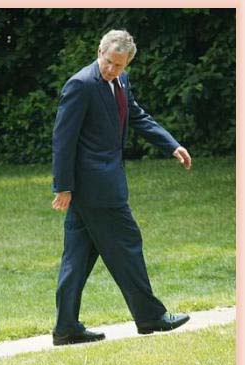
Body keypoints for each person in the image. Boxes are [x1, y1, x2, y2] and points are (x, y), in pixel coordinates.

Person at [51, 29, 192, 346]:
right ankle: (150, 317)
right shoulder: (81, 84)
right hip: (96, 188)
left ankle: (66, 328)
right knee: (127, 245)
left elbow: (138, 116)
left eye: (119, 65)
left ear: (127, 63)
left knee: (77, 256)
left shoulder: (121, 82)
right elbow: (63, 140)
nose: (112, 69)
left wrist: (171, 145)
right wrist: (63, 186)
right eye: (108, 62)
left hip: (99, 186)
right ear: (99, 50)